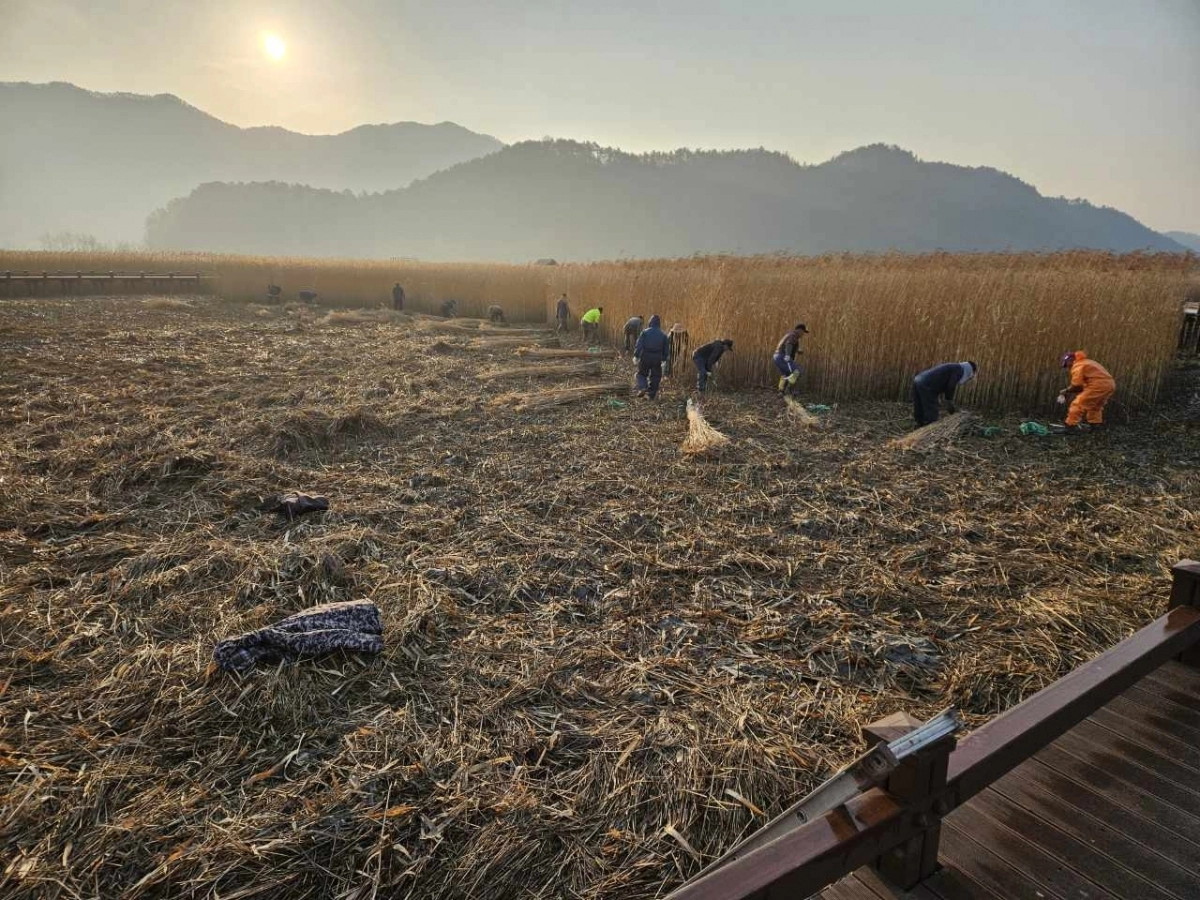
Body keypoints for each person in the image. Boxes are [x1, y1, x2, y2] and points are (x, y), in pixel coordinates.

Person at [1057, 350, 1116, 432]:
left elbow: (1077, 385)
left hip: (1098, 385)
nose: (1067, 368)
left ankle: (1070, 426)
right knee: (1095, 406)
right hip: (1110, 385)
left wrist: (1066, 390)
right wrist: (1069, 391)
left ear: (1070, 361)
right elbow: (1082, 386)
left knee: (1078, 404)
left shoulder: (1077, 366)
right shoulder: (1087, 362)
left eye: (1066, 365)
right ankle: (1095, 426)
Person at [912, 361, 977, 427]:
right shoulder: (958, 370)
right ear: (969, 370)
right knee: (932, 413)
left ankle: (919, 426)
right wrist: (949, 400)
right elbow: (951, 385)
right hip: (927, 385)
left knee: (919, 407)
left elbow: (940, 380)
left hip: (918, 379)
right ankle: (929, 430)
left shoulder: (954, 366)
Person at [633, 315, 671, 399]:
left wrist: (636, 355)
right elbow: (666, 349)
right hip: (657, 358)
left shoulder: (645, 332)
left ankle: (643, 387)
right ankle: (651, 394)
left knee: (642, 374)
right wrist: (664, 359)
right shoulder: (663, 335)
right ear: (659, 324)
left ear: (650, 322)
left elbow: (639, 344)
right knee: (655, 376)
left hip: (645, 356)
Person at [773, 323, 810, 395]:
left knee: (786, 374)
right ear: (800, 330)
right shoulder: (794, 335)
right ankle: (791, 389)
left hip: (777, 356)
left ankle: (781, 391)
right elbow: (789, 344)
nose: (803, 334)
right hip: (782, 356)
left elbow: (787, 345)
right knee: (798, 371)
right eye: (803, 332)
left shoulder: (790, 335)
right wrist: (787, 355)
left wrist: (797, 351)